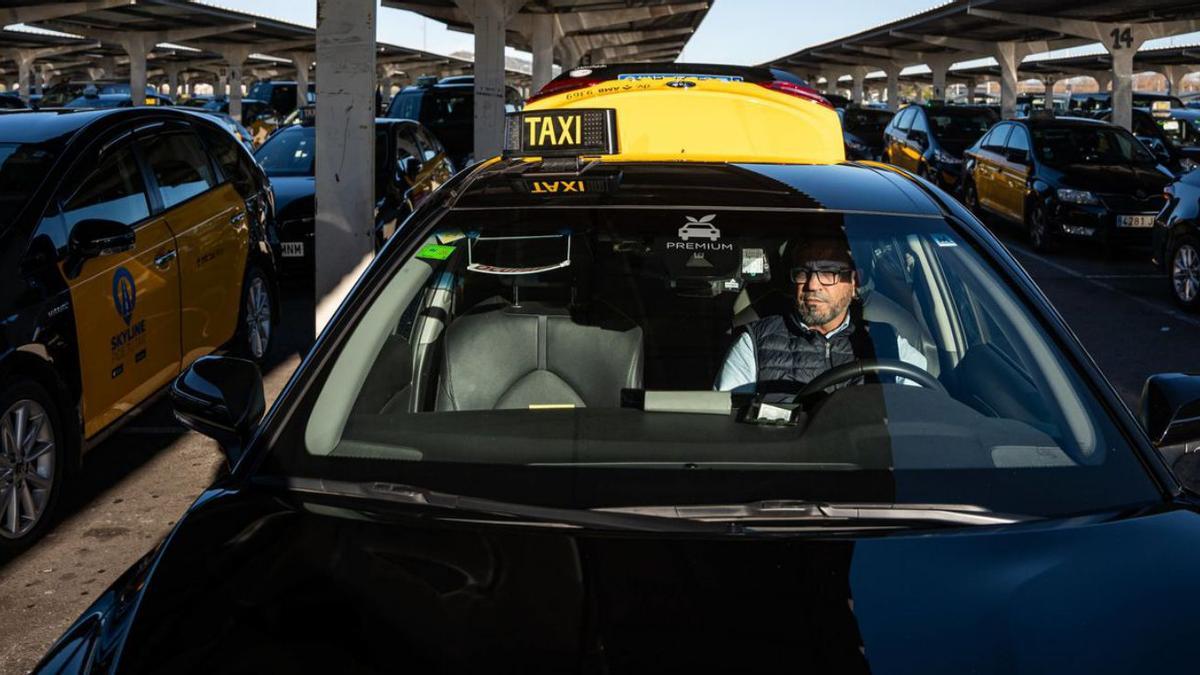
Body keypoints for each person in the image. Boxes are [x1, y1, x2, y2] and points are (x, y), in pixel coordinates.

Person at [716, 231, 927, 393]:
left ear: (855, 282)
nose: (813, 284)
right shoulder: (752, 344)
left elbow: (916, 421)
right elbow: (730, 429)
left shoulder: (890, 344)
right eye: (803, 273)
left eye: (828, 272)